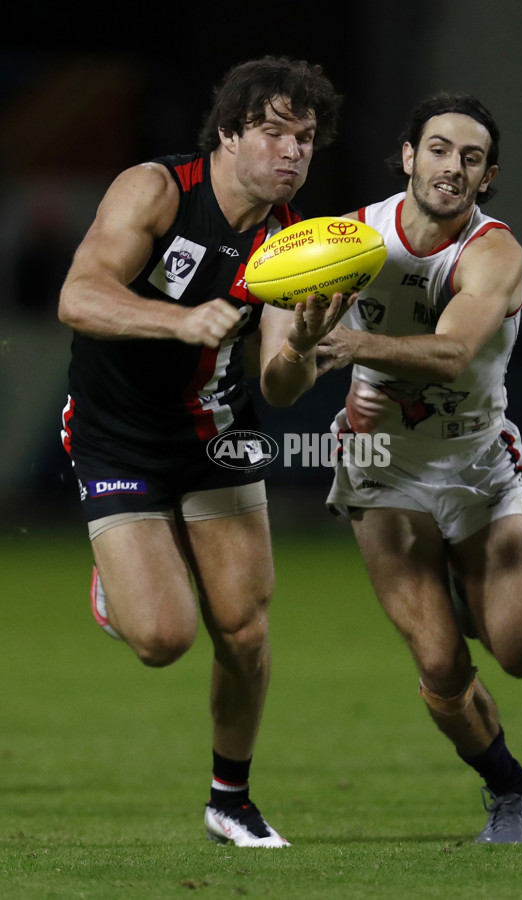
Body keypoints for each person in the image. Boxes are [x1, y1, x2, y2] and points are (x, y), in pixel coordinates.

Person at [58, 56, 351, 848]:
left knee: (246, 631)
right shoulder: (156, 189)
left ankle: (231, 798)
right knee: (163, 638)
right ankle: (120, 585)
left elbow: (282, 386)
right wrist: (179, 321)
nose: (293, 152)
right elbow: (77, 295)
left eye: (307, 138)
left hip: (218, 433)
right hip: (118, 432)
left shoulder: (292, 242)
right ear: (227, 134)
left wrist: (309, 347)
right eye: (274, 132)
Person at [317, 93, 522, 843]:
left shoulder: (493, 251)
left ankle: (461, 575)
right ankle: (510, 788)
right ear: (409, 156)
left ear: (487, 178)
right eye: (441, 149)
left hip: (477, 464)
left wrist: (356, 352)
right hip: (383, 468)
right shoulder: (347, 239)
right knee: (443, 666)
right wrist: (297, 345)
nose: (454, 166)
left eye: (472, 157)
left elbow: (452, 356)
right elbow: (284, 365)